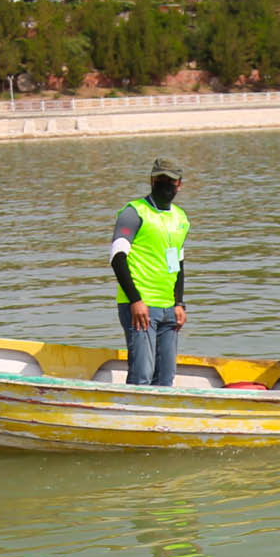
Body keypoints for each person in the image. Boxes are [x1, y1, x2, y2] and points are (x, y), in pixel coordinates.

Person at [110, 157, 189, 387]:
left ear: (179, 184)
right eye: (161, 179)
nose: (166, 185)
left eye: (171, 181)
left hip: (168, 308)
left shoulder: (180, 218)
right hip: (140, 306)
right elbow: (117, 257)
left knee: (165, 377)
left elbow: (176, 263)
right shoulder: (133, 213)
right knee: (142, 374)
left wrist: (179, 303)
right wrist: (135, 300)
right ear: (152, 181)